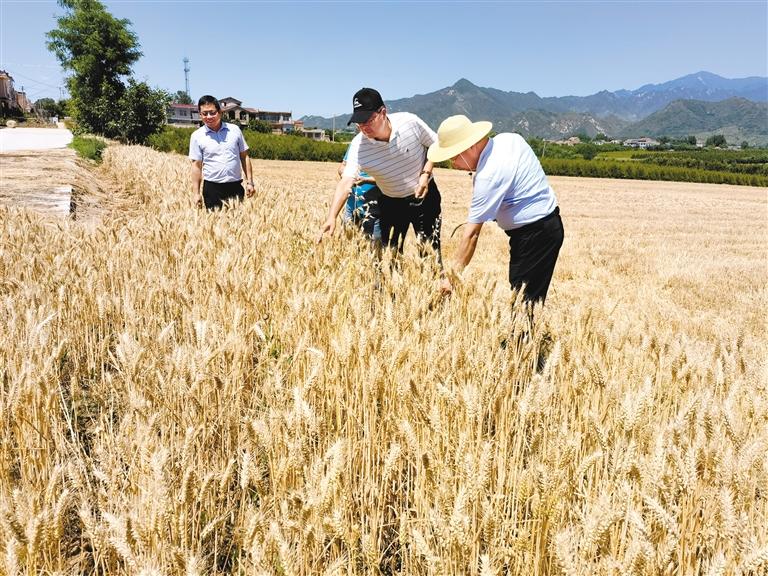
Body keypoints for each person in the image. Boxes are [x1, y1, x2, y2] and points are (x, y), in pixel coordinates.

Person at [427, 115, 564, 306]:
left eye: (454, 156)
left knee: (524, 300)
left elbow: (472, 235)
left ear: (471, 146)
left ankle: (523, 335)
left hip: (534, 236)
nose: (454, 164)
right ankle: (524, 333)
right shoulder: (509, 139)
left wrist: (451, 278)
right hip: (547, 225)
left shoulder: (488, 176)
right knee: (525, 295)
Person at [318, 88, 442, 264]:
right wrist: (331, 216)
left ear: (383, 112)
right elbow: (346, 181)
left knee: (430, 257)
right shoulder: (358, 146)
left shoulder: (409, 122)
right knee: (388, 260)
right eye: (359, 123)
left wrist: (426, 173)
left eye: (368, 121)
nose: (364, 128)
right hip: (391, 202)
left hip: (425, 198)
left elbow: (437, 145)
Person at [189, 95, 255, 210]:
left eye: (212, 112)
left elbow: (244, 157)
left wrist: (250, 182)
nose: (209, 116)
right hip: (212, 189)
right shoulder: (196, 136)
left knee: (239, 225)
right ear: (200, 115)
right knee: (214, 226)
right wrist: (196, 193)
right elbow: (196, 166)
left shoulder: (234, 130)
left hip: (235, 186)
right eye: (204, 113)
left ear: (220, 112)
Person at [338, 145, 382, 242]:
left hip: (374, 207)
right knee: (348, 240)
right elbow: (342, 166)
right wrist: (346, 175)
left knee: (374, 244)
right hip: (352, 203)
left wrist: (365, 180)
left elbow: (388, 177)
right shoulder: (355, 145)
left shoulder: (383, 147)